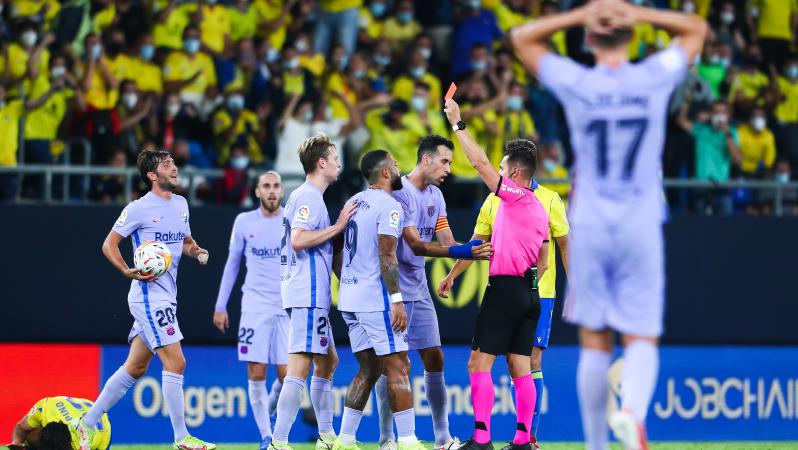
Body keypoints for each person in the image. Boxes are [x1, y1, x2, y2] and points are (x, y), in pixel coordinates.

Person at [510, 1, 707, 448]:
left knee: (595, 340)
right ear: (631, 37)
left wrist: (585, 13)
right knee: (640, 335)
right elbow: (695, 27)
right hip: (640, 218)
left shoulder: (578, 81)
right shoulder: (652, 76)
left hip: (592, 220)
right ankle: (632, 413)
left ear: (589, 40)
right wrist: (635, 14)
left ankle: (598, 444)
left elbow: (522, 37)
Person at [72, 149, 215, 450]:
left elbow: (186, 241)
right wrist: (125, 269)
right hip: (149, 297)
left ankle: (83, 425)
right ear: (152, 175)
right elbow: (109, 243)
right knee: (176, 362)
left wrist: (197, 252)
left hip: (168, 297)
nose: (174, 168)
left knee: (135, 367)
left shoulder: (181, 204)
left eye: (174, 163)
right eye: (167, 165)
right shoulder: (138, 208)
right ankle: (181, 438)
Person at [438, 140, 569, 450]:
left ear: (513, 172)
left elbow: (479, 163)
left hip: (505, 288)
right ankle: (523, 440)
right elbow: (545, 257)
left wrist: (458, 125)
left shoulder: (515, 199)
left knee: (477, 364)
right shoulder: (543, 205)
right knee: (520, 366)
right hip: (530, 292)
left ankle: (482, 438)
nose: (496, 176)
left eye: (501, 170)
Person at [374, 136, 492, 450]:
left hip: (420, 289)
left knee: (435, 357)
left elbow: (446, 238)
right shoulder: (400, 193)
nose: (449, 169)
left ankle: (442, 438)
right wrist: (464, 249)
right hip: (393, 290)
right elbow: (416, 245)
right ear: (426, 160)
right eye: (445, 161)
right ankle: (388, 439)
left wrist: (464, 258)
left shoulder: (436, 196)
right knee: (396, 365)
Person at [270, 134, 357, 450]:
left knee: (328, 361)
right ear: (321, 163)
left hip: (310, 294)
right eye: (335, 158)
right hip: (305, 293)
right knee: (300, 366)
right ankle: (279, 441)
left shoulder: (308, 197)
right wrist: (339, 226)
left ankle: (326, 436)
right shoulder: (308, 197)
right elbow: (298, 239)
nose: (338, 163)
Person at [333, 150, 423, 450]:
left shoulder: (353, 202)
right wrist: (396, 300)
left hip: (349, 300)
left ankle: (345, 440)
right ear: (385, 173)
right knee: (399, 366)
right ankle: (409, 442)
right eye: (396, 165)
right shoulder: (389, 206)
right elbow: (387, 255)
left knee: (369, 369)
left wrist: (347, 281)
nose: (399, 169)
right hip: (374, 300)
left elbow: (336, 248)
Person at [214, 171, 289, 449]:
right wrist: (221, 305)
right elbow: (232, 264)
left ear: (282, 191)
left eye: (276, 186)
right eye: (266, 186)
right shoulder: (244, 221)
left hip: (286, 307)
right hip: (254, 307)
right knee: (257, 372)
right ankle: (266, 437)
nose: (271, 191)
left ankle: (268, 410)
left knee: (289, 377)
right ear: (257, 192)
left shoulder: (291, 220)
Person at [9, 396, 111, 450]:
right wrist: (16, 443)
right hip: (70, 409)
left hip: (103, 429)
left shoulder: (82, 444)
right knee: (31, 435)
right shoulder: (45, 408)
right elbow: (20, 428)